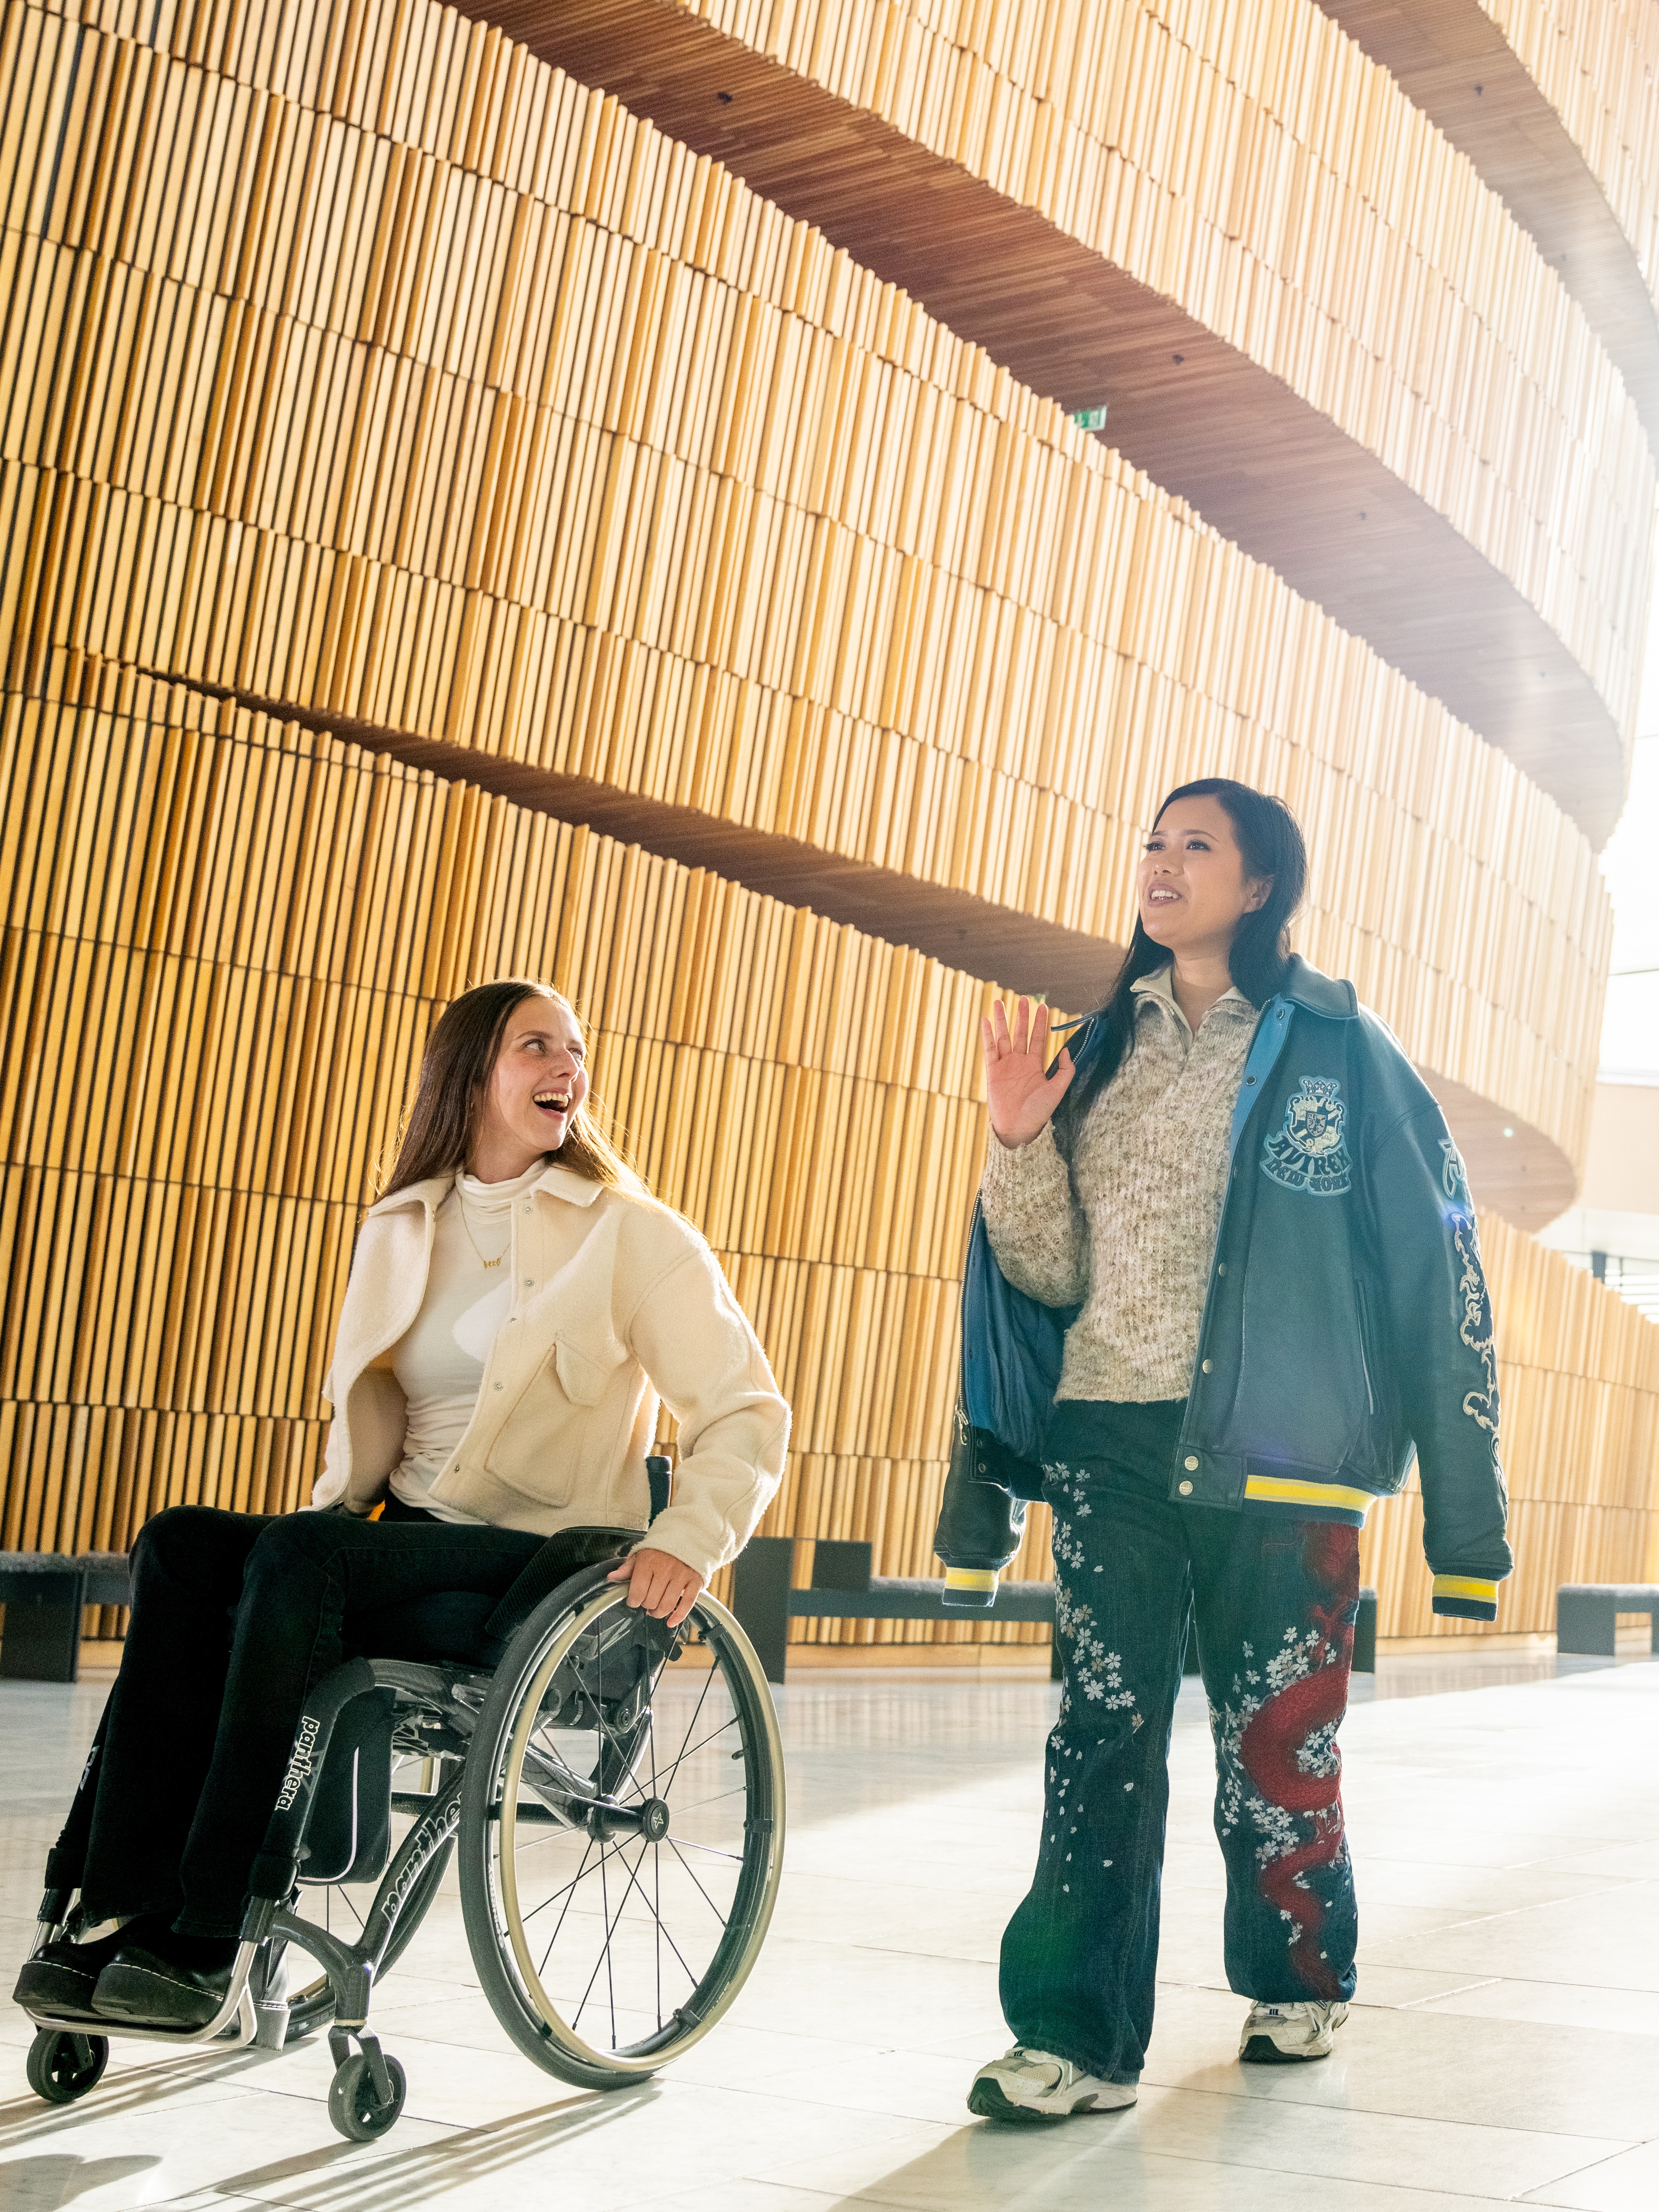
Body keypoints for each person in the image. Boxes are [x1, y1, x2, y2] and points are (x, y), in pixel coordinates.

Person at [16, 979, 789, 2028]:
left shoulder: (631, 1235)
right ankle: (110, 1902)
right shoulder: (402, 1225)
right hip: (404, 1541)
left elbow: (746, 1409)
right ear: (472, 1073)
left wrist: (687, 1539)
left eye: (575, 1049)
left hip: (534, 1566)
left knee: (300, 1562)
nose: (569, 1068)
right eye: (536, 1047)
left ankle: (207, 1933)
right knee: (182, 1547)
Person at [959, 778, 1512, 2123]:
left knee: (1278, 1740)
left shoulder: (1340, 1047)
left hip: (1287, 1457)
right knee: (1101, 1738)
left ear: (1261, 886)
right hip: (1111, 1445)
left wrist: (1467, 1526)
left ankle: (1297, 1971)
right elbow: (1042, 1272)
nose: (1161, 862)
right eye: (1152, 840)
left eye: (1195, 845)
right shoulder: (1095, 1049)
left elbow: (1438, 1270)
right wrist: (1018, 1142)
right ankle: (1075, 2039)